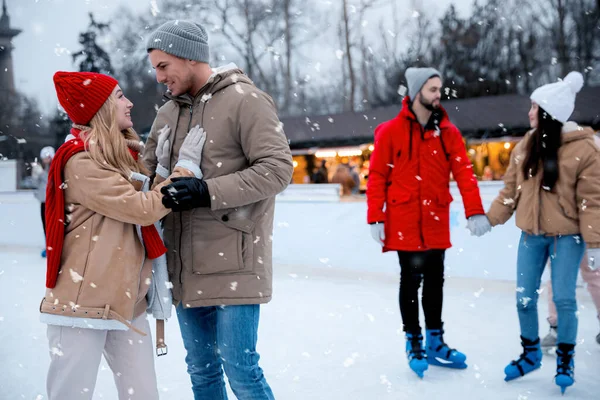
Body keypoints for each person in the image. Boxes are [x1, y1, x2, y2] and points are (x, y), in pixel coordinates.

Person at [143, 20, 293, 399]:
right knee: (202, 372)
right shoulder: (167, 116)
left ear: (190, 57)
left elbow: (277, 169)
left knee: (241, 371)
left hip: (235, 261)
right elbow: (144, 181)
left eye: (163, 66)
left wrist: (206, 191)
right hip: (183, 264)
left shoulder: (246, 100)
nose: (158, 76)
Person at [41, 71, 205, 400]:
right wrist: (184, 168)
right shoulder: (82, 162)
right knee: (70, 395)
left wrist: (161, 167)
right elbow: (140, 207)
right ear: (99, 108)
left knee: (143, 394)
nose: (128, 102)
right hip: (82, 306)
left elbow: (143, 196)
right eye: (119, 96)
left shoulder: (116, 158)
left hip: (127, 301)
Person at [480, 71, 600, 393]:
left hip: (568, 237)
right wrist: (489, 219)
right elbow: (509, 192)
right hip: (531, 236)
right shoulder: (525, 147)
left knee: (563, 299)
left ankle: (565, 359)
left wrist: (595, 243)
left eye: (535, 107)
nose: (530, 112)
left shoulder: (584, 149)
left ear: (548, 112)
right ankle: (530, 353)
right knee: (523, 299)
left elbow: (592, 201)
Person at [367, 67, 487, 378]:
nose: (438, 95)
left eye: (440, 89)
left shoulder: (448, 132)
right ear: (416, 91)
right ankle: (414, 341)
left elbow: (464, 172)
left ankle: (436, 341)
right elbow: (378, 176)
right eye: (433, 89)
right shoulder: (390, 131)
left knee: (435, 281)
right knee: (410, 280)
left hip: (435, 218)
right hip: (404, 218)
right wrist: (375, 216)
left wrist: (474, 210)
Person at [541, 250, 600, 348]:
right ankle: (557, 327)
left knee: (559, 275)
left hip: (560, 237)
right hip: (589, 238)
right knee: (594, 275)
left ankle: (558, 328)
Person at [32, 145, 55, 257]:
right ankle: (48, 246)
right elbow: (36, 184)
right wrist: (35, 175)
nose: (44, 160)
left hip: (52, 202)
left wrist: (40, 173)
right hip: (43, 201)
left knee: (52, 225)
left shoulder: (54, 167)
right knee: (45, 225)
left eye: (45, 157)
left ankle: (53, 247)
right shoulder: (43, 168)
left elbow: (50, 180)